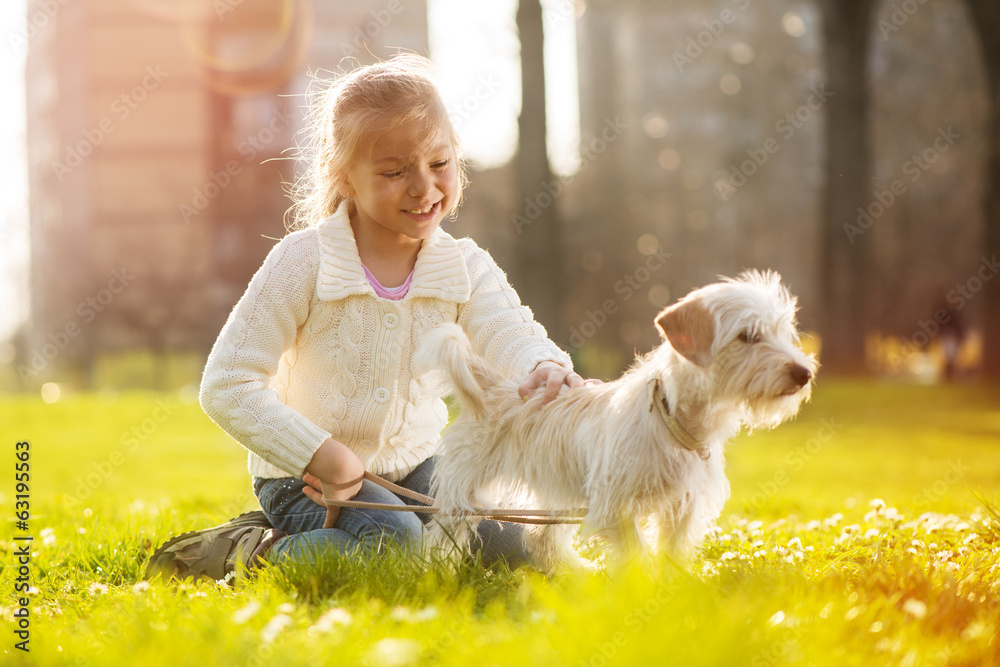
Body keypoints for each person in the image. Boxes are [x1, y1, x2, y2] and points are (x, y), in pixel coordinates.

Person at [145, 54, 584, 582]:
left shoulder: (464, 266)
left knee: (516, 547)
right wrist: (318, 454)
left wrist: (542, 368)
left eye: (439, 164)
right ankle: (249, 551)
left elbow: (511, 333)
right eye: (395, 172)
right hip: (303, 475)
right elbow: (226, 384)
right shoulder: (303, 261)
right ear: (344, 177)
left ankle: (334, 543)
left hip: (415, 468)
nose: (424, 188)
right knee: (396, 550)